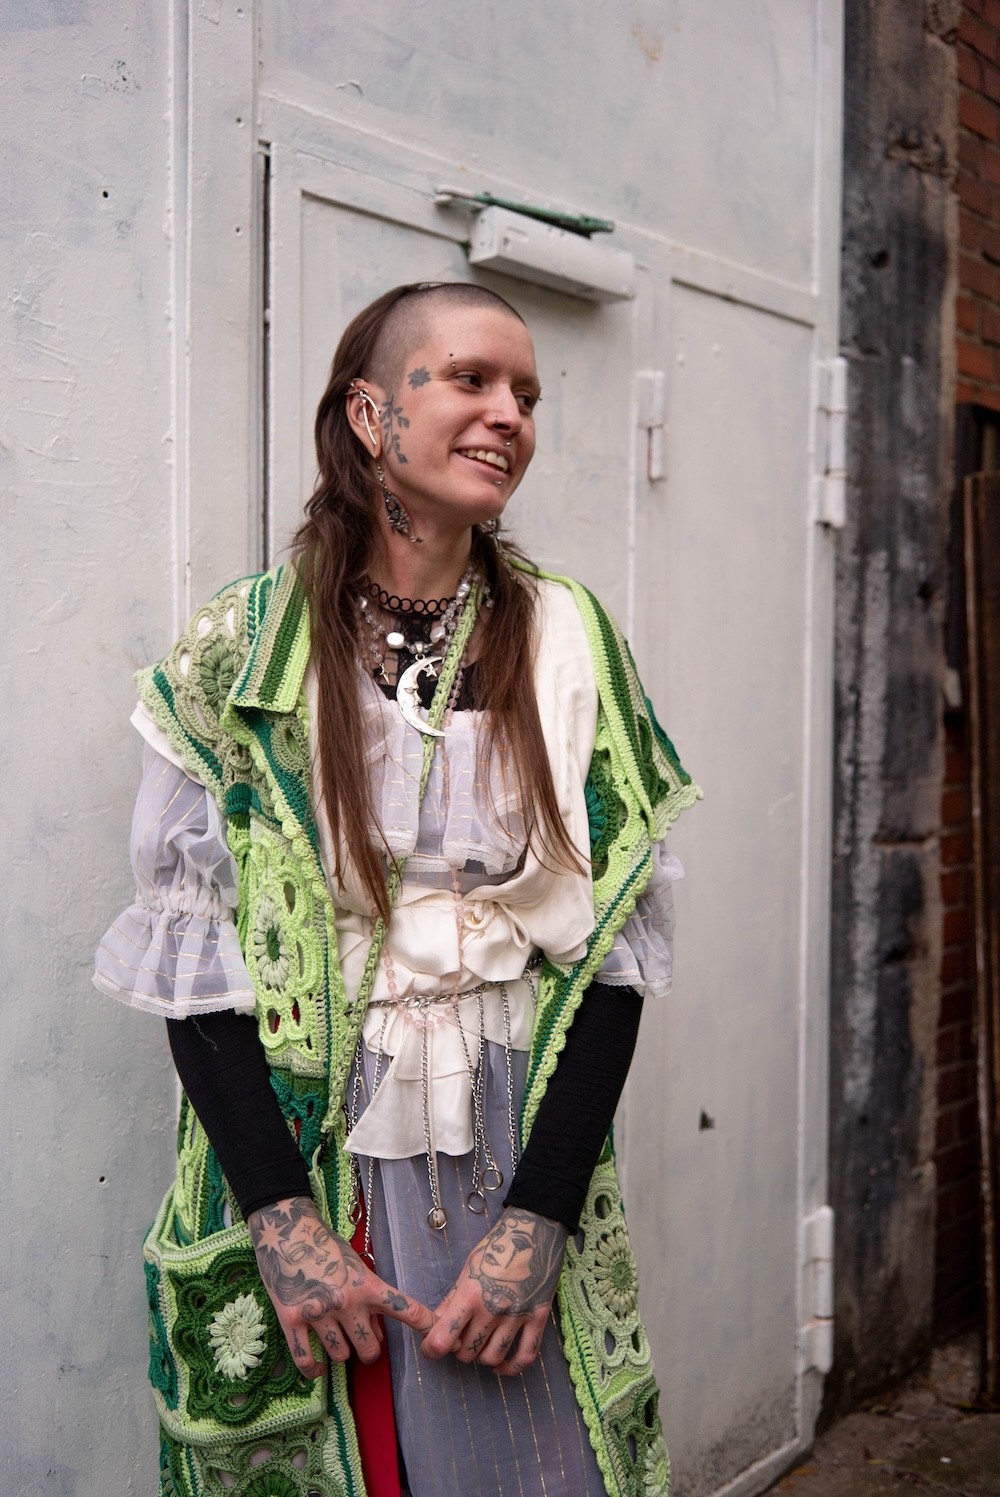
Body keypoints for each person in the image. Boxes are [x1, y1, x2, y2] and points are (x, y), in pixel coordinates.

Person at [95, 281, 699, 1497]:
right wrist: (278, 1215)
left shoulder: (569, 639)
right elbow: (192, 958)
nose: (508, 415)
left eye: (525, 394)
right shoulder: (244, 650)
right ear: (371, 414)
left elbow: (612, 960)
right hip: (306, 1128)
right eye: (470, 379)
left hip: (512, 1128)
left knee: (537, 1455)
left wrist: (540, 1219)